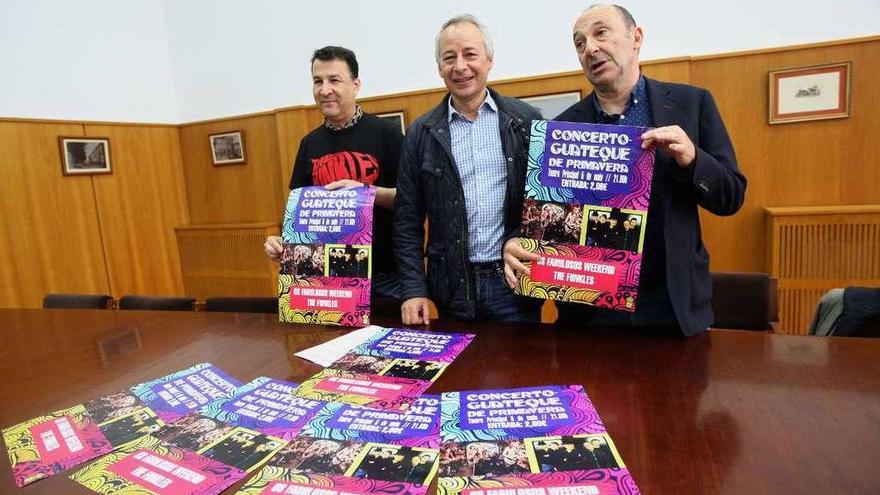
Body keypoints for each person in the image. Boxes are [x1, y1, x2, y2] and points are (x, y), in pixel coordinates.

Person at [502, 4, 746, 336]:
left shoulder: (693, 103)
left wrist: (692, 158)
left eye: (601, 33)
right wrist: (519, 242)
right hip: (590, 313)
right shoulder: (562, 128)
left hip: (671, 308)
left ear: (636, 38)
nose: (590, 48)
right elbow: (548, 218)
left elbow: (731, 197)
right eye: (579, 43)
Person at [394, 14, 543, 325]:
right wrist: (412, 289)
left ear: (489, 60)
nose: (460, 66)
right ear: (439, 68)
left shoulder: (527, 122)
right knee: (459, 373)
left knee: (523, 372)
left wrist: (519, 238)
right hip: (451, 288)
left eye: (470, 54)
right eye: (449, 58)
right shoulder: (421, 133)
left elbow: (543, 207)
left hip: (514, 283)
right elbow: (407, 220)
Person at [263, 46, 403, 300]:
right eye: (318, 81)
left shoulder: (387, 134)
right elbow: (300, 215)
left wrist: (365, 193)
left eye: (334, 80)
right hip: (328, 277)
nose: (324, 89)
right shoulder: (309, 144)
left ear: (356, 85)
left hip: (387, 277)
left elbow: (411, 200)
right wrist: (282, 243)